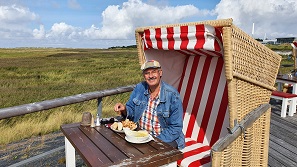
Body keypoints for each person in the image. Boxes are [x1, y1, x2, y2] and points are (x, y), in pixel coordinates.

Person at [114, 60, 185, 150]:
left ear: (160, 73)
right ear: (144, 75)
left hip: (164, 139)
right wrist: (124, 109)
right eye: (147, 73)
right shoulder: (140, 88)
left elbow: (175, 128)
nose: (151, 76)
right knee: (119, 147)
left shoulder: (172, 95)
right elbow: (131, 110)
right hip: (141, 136)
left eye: (154, 72)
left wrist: (153, 141)